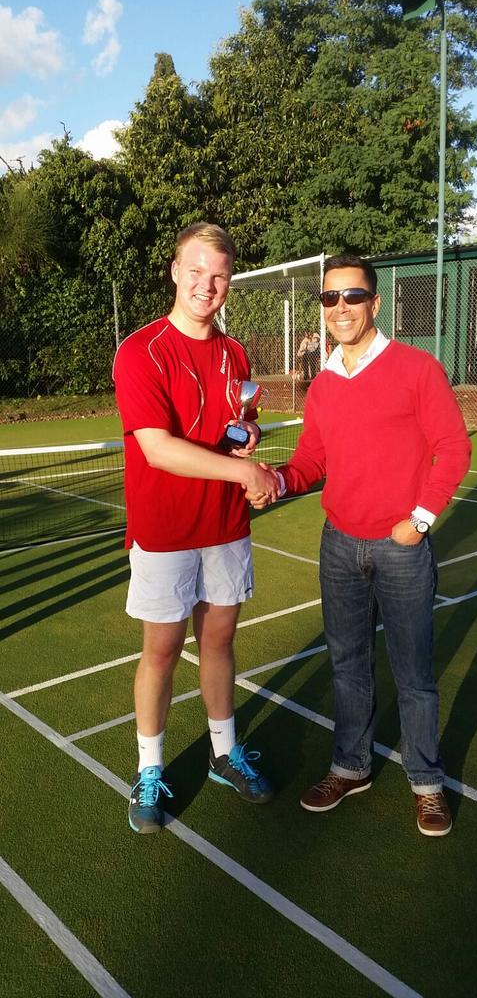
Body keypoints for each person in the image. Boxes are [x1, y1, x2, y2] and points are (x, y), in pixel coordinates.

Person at [247, 253, 470, 837]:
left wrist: (418, 520)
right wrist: (276, 480)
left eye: (351, 296)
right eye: (329, 299)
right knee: (348, 667)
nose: (340, 308)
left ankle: (426, 783)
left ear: (375, 302)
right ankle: (350, 767)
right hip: (339, 544)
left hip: (401, 549)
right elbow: (312, 460)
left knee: (415, 674)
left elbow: (454, 448)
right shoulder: (322, 385)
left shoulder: (417, 368)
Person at [113, 222, 279, 834]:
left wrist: (248, 441)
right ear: (175, 271)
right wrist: (250, 475)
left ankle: (223, 752)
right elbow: (158, 449)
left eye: (219, 275)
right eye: (196, 271)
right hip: (165, 531)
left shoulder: (236, 354)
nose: (206, 285)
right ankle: (150, 768)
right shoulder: (141, 351)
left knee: (218, 642)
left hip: (226, 527)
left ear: (229, 281)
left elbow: (240, 421)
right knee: (160, 650)